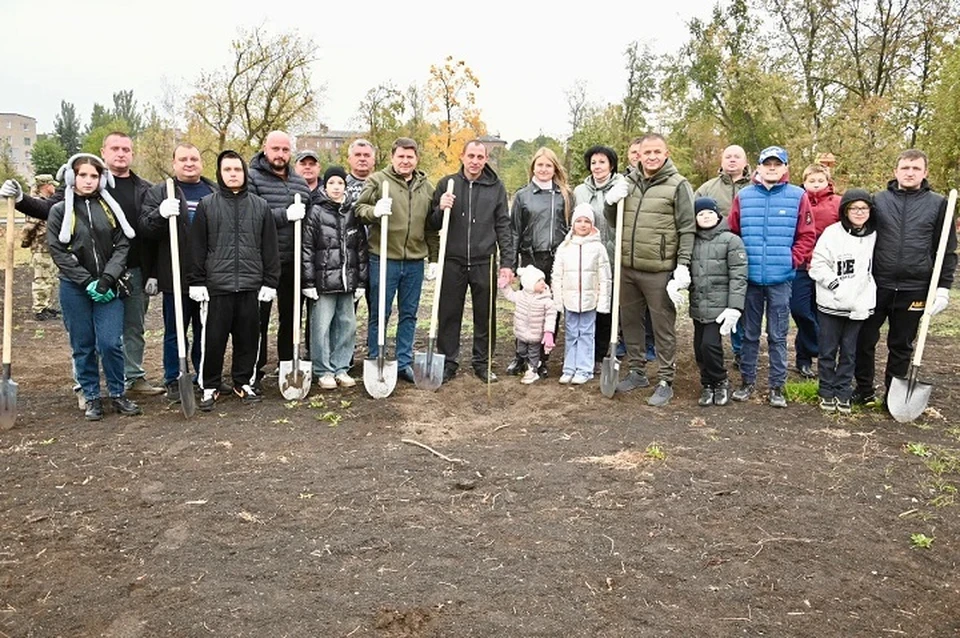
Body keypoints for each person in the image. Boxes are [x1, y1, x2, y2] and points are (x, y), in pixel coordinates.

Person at [854, 149, 958, 406]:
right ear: (896, 171)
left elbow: (946, 248)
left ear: (925, 173)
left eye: (915, 169)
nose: (910, 173)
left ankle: (894, 396)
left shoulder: (938, 204)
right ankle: (864, 389)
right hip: (877, 284)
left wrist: (943, 287)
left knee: (901, 344)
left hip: (915, 287)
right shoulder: (878, 201)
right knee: (864, 339)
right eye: (905, 168)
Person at [45, 154, 141, 421]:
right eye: (83, 175)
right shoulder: (59, 211)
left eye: (94, 176)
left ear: (102, 179)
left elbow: (123, 245)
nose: (88, 181)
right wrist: (86, 282)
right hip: (75, 289)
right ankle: (91, 397)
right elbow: (58, 251)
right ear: (71, 177)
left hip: (108, 286)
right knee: (83, 344)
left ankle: (117, 393)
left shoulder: (110, 208)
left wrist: (107, 279)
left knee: (110, 343)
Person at [604, 132, 696, 406]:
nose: (652, 157)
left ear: (666, 154)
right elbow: (613, 222)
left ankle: (666, 380)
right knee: (630, 322)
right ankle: (637, 371)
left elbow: (687, 227)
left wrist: (682, 265)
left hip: (658, 269)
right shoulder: (626, 183)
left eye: (658, 152)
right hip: (627, 267)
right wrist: (610, 201)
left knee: (662, 326)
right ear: (638, 155)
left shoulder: (678, 185)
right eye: (647, 152)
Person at [187, 150, 281, 411]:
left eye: (237, 169)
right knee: (212, 340)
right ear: (220, 173)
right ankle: (209, 385)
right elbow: (197, 246)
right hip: (218, 287)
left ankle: (244, 381)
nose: (232, 174)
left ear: (244, 172)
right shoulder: (208, 205)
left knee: (249, 339)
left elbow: (270, 248)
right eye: (227, 170)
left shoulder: (260, 206)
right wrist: (196, 281)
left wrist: (270, 282)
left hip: (252, 287)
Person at [727, 146, 816, 408]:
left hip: (781, 279)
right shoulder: (744, 197)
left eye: (778, 164)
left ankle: (777, 386)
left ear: (785, 168)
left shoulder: (798, 196)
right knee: (750, 334)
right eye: (768, 164)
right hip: (751, 279)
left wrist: (792, 259)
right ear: (758, 167)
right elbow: (732, 233)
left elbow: (807, 234)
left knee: (777, 336)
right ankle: (747, 382)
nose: (772, 168)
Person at [429, 140, 514, 383]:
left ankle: (482, 363)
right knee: (448, 314)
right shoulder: (448, 184)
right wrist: (440, 208)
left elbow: (503, 226)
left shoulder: (495, 187)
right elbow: (432, 223)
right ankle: (447, 362)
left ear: (486, 159)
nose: (475, 161)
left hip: (483, 260)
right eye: (471, 156)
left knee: (485, 315)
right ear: (462, 156)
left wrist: (507, 262)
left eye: (480, 157)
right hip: (452, 260)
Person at [355, 137, 439, 383]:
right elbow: (359, 210)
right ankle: (375, 357)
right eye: (401, 156)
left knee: (409, 314)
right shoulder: (377, 181)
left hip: (414, 261)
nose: (405, 161)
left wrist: (432, 258)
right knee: (380, 313)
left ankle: (403, 362)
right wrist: (375, 211)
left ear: (416, 159)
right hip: (383, 259)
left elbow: (431, 227)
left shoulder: (427, 187)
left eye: (410, 157)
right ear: (392, 158)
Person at [140, 143, 215, 401]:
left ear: (201, 163)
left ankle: (205, 375)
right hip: (175, 274)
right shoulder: (161, 191)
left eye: (194, 158)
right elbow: (145, 229)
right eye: (183, 159)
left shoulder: (213, 191)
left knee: (205, 330)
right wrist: (160, 214)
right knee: (175, 331)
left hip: (207, 275)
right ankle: (173, 377)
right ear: (174, 163)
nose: (189, 163)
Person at [247, 131, 312, 389]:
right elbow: (251, 216)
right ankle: (254, 369)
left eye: (285, 150)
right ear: (265, 149)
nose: (280, 155)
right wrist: (285, 215)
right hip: (262, 262)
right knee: (258, 319)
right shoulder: (252, 178)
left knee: (291, 316)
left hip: (292, 261)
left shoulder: (298, 182)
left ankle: (287, 363)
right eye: (276, 149)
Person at [809, 189, 877, 414]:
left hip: (858, 305)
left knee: (849, 352)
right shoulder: (832, 233)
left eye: (864, 208)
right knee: (828, 350)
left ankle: (843, 391)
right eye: (854, 208)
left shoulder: (874, 235)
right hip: (832, 303)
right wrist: (836, 286)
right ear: (845, 210)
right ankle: (826, 390)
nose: (859, 213)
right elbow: (817, 265)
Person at [507, 147, 571, 378]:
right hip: (531, 258)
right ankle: (521, 355)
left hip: (556, 259)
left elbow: (572, 228)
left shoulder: (564, 195)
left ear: (555, 168)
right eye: (539, 165)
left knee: (549, 309)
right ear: (533, 167)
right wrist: (511, 264)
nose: (543, 170)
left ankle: (542, 358)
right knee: (527, 308)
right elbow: (514, 231)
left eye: (548, 165)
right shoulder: (523, 195)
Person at [302, 166, 367, 389]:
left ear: (345, 187)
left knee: (347, 325)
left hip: (347, 281)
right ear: (325, 186)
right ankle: (323, 370)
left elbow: (360, 249)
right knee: (321, 326)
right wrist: (308, 282)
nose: (336, 187)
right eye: (332, 183)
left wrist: (360, 282)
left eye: (340, 183)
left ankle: (341, 367)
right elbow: (307, 248)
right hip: (323, 283)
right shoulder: (316, 212)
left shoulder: (352, 212)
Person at [684, 197, 747, 407]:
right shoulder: (692, 241)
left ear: (718, 215)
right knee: (699, 348)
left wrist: (735, 306)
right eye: (701, 214)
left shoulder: (731, 240)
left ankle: (721, 380)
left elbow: (738, 275)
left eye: (709, 213)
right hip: (698, 303)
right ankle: (707, 383)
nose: (706, 217)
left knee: (710, 345)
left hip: (720, 306)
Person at [695, 144, 752, 368]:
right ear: (721, 161)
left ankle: (741, 351)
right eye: (728, 156)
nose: (732, 160)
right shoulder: (707, 188)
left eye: (737, 156)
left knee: (742, 301)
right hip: (713, 255)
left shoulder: (755, 188)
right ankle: (710, 351)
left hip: (745, 250)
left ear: (745, 162)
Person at [573, 145, 624, 371]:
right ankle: (584, 349)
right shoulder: (580, 192)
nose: (597, 167)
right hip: (587, 255)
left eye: (602, 162)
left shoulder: (622, 187)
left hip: (612, 254)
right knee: (588, 303)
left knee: (607, 305)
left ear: (611, 165)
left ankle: (601, 353)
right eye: (594, 162)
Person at [550, 204, 611, 384]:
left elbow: (605, 277)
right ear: (573, 223)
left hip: (589, 301)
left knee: (586, 333)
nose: (583, 225)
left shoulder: (598, 248)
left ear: (592, 224)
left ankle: (584, 369)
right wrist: (558, 298)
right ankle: (569, 367)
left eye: (587, 221)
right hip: (570, 300)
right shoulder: (565, 246)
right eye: (579, 221)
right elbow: (557, 274)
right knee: (570, 333)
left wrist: (603, 302)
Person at [792, 163, 841, 379]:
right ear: (804, 182)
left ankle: (810, 360)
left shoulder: (837, 203)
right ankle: (814, 348)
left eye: (820, 180)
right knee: (801, 310)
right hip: (802, 265)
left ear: (827, 181)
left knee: (821, 312)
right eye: (811, 181)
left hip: (827, 267)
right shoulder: (796, 200)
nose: (815, 184)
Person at [498, 266, 557, 385]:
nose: (543, 283)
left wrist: (549, 332)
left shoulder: (547, 300)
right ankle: (533, 363)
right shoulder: (520, 296)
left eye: (543, 280)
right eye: (538, 281)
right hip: (521, 333)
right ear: (529, 284)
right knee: (521, 351)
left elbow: (551, 317)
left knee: (533, 353)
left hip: (535, 335)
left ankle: (532, 371)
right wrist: (504, 286)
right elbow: (510, 295)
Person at [20, 174, 61, 321]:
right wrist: (26, 242)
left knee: (49, 278)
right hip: (40, 248)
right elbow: (29, 227)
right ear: (45, 186)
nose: (54, 188)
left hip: (49, 247)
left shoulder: (48, 203)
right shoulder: (36, 204)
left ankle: (47, 306)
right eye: (52, 185)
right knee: (41, 279)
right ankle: (39, 309)